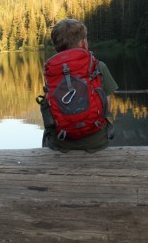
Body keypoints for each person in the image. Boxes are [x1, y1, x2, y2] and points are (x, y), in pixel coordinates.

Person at [41, 18, 118, 153]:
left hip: (60, 143)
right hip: (96, 142)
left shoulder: (51, 71)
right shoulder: (98, 66)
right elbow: (107, 109)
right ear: (83, 42)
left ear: (55, 46)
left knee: (46, 134)